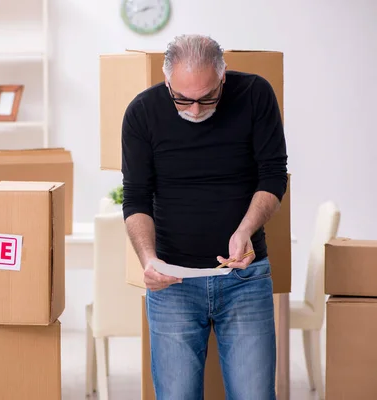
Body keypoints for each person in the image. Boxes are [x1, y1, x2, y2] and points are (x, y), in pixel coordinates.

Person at [121, 34, 288, 400]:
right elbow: (135, 198)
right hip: (172, 284)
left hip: (244, 277)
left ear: (223, 76)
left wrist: (246, 229)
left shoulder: (255, 95)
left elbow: (274, 175)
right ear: (167, 81)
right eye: (182, 99)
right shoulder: (142, 112)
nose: (195, 110)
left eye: (207, 98)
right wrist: (148, 260)